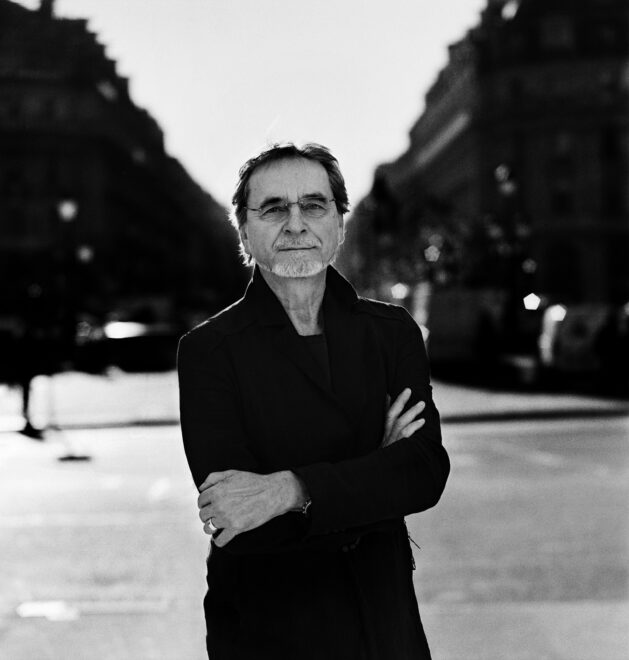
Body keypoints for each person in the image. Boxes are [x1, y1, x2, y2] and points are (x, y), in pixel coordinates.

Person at [178, 143, 450, 659]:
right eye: (273, 208)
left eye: (314, 205)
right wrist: (377, 469)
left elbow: (423, 473)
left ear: (339, 225)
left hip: (384, 626)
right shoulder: (208, 351)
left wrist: (290, 489)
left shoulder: (393, 333)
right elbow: (240, 522)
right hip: (268, 632)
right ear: (244, 232)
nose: (296, 224)